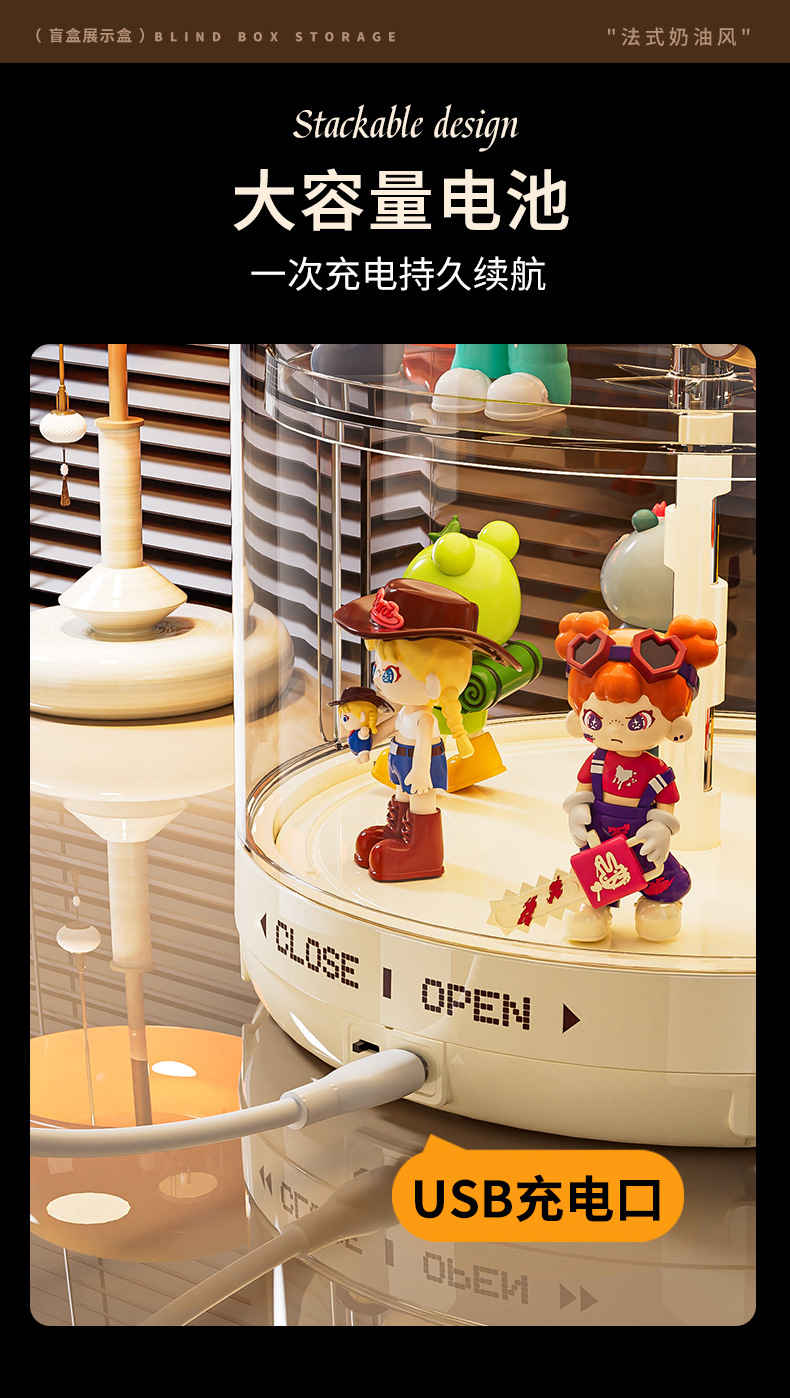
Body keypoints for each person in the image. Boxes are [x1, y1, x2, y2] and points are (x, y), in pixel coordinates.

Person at [334, 578, 520, 881]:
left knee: (421, 801)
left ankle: (424, 850)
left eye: (389, 673)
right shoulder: (407, 711)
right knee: (401, 795)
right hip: (401, 761)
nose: (378, 679)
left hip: (420, 767)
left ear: (433, 683)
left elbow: (422, 745)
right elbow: (388, 730)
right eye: (377, 668)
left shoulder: (425, 719)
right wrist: (367, 741)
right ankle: (398, 831)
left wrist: (421, 773)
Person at [554, 610, 718, 941]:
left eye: (637, 722)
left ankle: (657, 905)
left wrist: (660, 828)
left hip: (642, 840)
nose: (615, 731)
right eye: (596, 720)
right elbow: (583, 788)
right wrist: (578, 809)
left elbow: (666, 805)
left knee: (657, 875)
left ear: (677, 726)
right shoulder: (596, 762)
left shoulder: (657, 771)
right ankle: (594, 907)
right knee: (593, 878)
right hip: (600, 839)